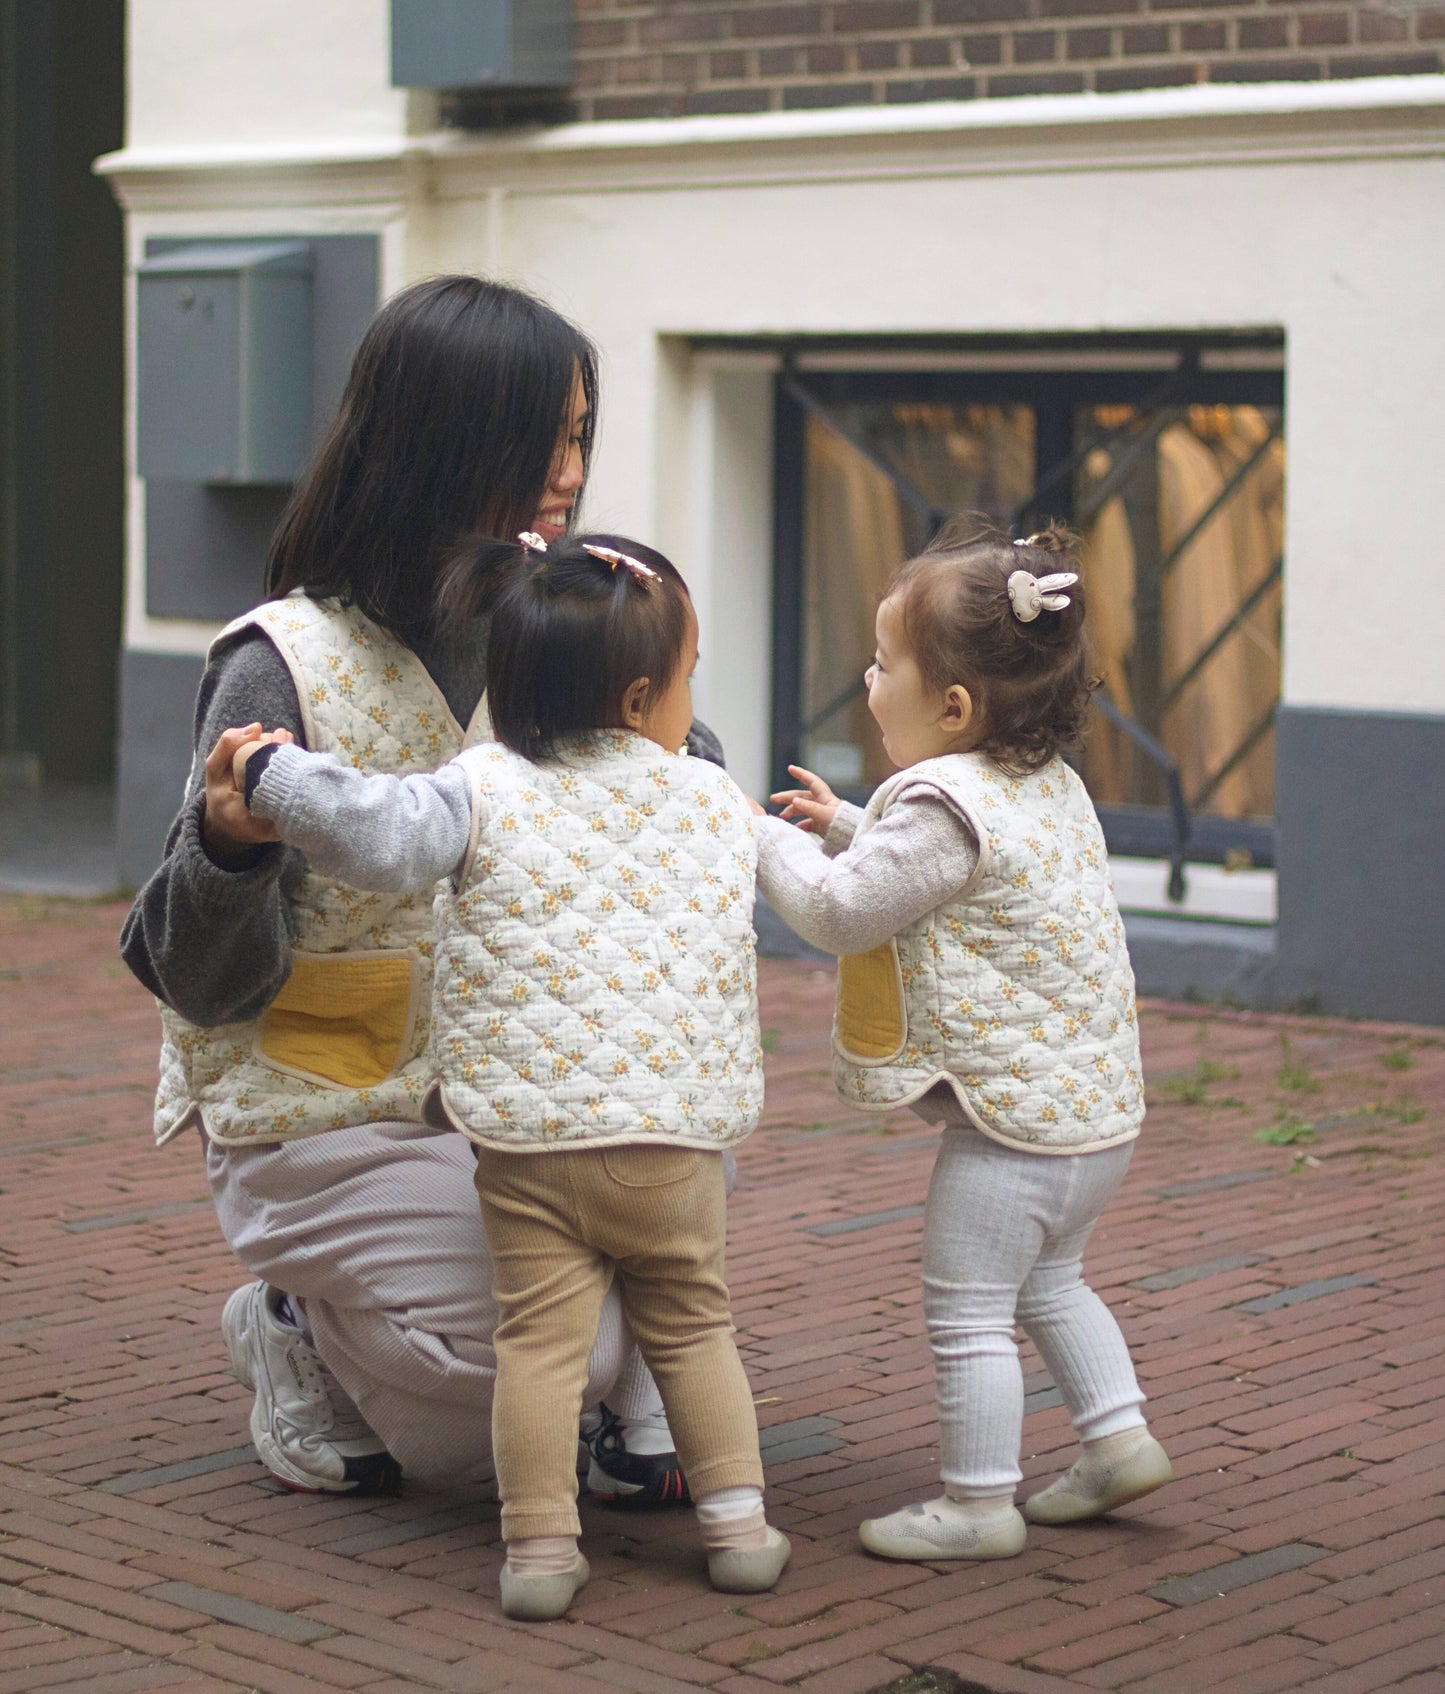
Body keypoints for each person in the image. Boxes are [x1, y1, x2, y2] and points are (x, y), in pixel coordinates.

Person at [119, 276, 713, 1504]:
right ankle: (294, 1320)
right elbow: (193, 977)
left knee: (650, 1243)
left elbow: (687, 816)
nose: (568, 472)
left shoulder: (558, 625)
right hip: (324, 1113)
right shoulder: (278, 662)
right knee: (545, 1377)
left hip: (516, 1097)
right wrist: (228, 850)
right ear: (448, 441)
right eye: (543, 437)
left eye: (581, 436)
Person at [215, 531, 791, 1620]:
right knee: (696, 1328)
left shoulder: (478, 786)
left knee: (539, 1340)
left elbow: (373, 835)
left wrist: (272, 771)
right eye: (684, 680)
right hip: (675, 1146)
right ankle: (739, 1525)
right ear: (637, 697)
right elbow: (820, 899)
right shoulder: (713, 797)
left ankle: (537, 1551)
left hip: (529, 1147)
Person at [755, 517, 1171, 1562]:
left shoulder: (944, 803)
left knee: (967, 1307)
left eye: (883, 661)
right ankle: (1115, 1439)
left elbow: (847, 914)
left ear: (951, 705)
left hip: (1009, 1133)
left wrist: (752, 834)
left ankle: (978, 1502)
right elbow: (962, 867)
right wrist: (851, 823)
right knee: (1050, 1280)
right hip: (1092, 1118)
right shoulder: (1042, 781)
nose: (865, 678)